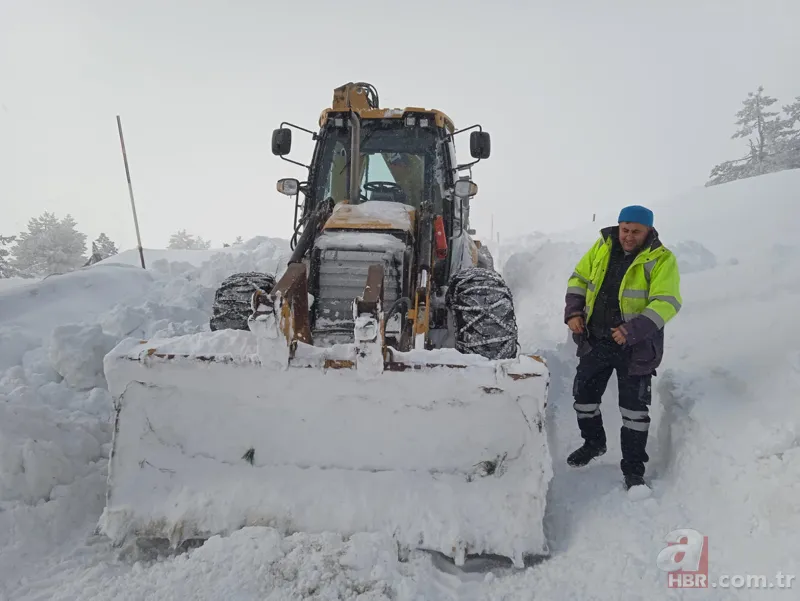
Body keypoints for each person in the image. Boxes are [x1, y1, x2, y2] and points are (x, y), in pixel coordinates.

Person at [563, 205, 681, 491]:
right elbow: (578, 279)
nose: (628, 236)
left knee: (634, 413)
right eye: (624, 229)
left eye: (635, 232)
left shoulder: (662, 259)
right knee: (584, 399)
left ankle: (633, 470)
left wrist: (633, 330)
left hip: (636, 348)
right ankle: (594, 443)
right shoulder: (602, 247)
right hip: (596, 340)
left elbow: (667, 301)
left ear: (648, 231)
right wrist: (574, 313)